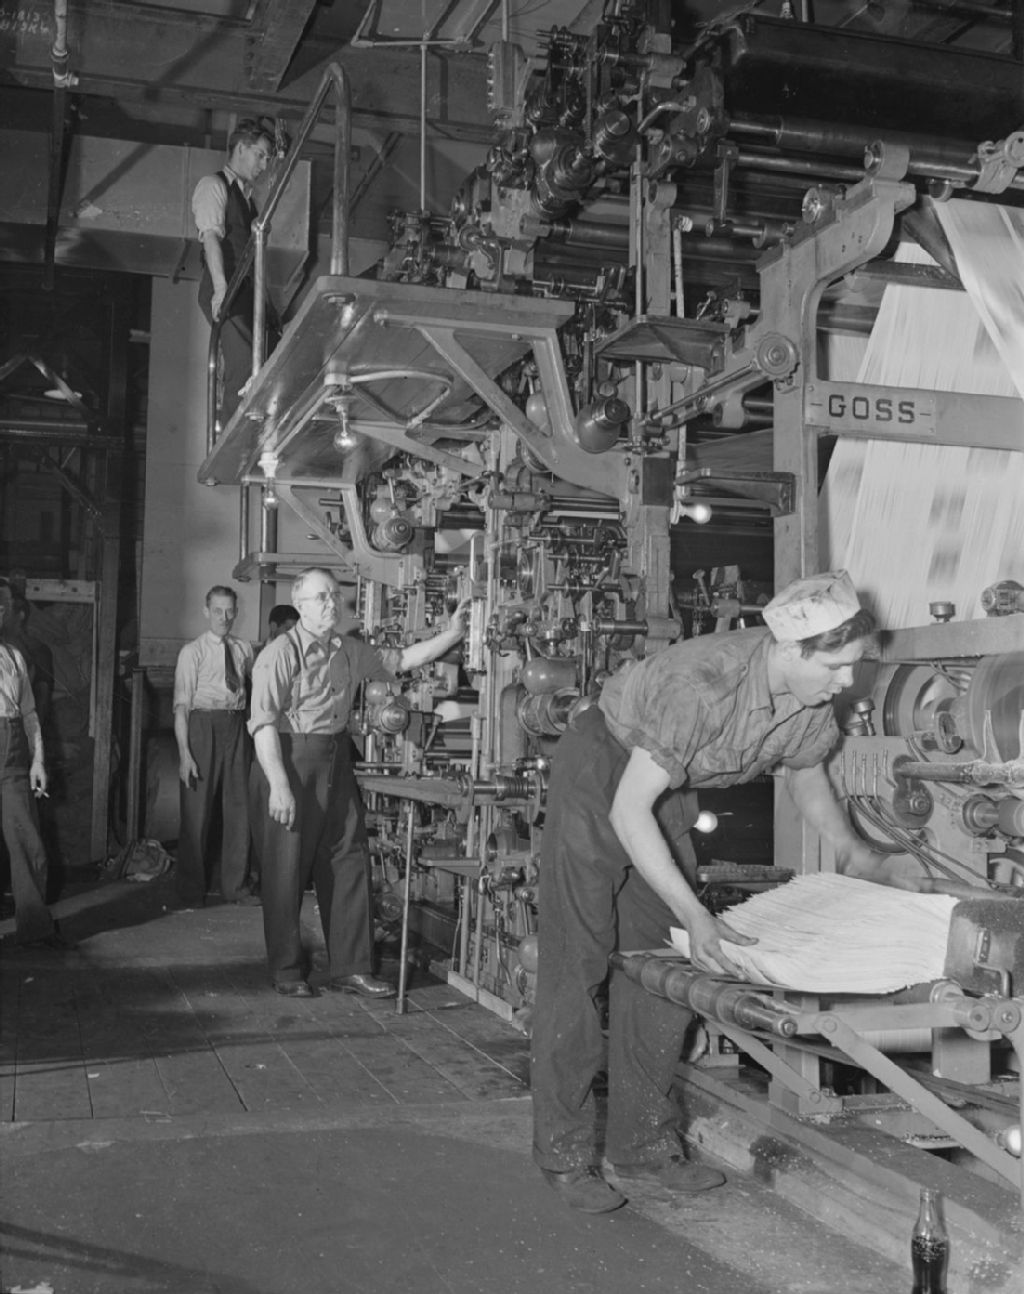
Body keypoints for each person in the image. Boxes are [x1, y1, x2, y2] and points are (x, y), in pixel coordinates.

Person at [530, 570, 919, 1214]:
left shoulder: (809, 695)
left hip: (667, 790)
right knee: (579, 962)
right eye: (836, 666)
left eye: (853, 665)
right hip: (603, 773)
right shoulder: (702, 686)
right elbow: (628, 810)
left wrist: (854, 850)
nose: (848, 681)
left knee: (664, 965)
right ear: (789, 649)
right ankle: (564, 1156)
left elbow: (807, 772)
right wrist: (695, 912)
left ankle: (643, 1149)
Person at [248, 567, 469, 999]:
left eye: (334, 595)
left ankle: (351, 968)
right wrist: (279, 785)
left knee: (348, 859)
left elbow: (403, 660)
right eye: (321, 597)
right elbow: (262, 725)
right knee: (285, 870)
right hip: (288, 760)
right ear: (300, 605)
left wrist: (454, 633)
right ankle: (287, 970)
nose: (332, 604)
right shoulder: (279, 654)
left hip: (335, 759)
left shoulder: (348, 649)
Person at [173, 585, 257, 907]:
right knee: (196, 812)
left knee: (240, 808)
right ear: (206, 611)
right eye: (218, 611)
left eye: (229, 611)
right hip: (202, 726)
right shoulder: (191, 652)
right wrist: (185, 755)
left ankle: (236, 888)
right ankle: (189, 892)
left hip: (236, 726)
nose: (224, 617)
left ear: (236, 612)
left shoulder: (243, 649)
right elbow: (181, 707)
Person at [192, 117, 278, 426]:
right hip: (226, 287)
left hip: (245, 290)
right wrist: (220, 289)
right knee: (244, 360)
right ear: (241, 148)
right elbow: (211, 239)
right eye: (260, 155)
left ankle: (263, 428)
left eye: (267, 158)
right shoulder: (214, 186)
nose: (264, 165)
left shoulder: (247, 199)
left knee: (268, 355)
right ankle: (233, 436)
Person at [0, 578, 65, 949]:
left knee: (28, 842)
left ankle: (34, 928)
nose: (0, 612)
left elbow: (28, 713)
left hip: (12, 754)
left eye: (3, 606)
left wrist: (37, 760)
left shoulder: (14, 656)